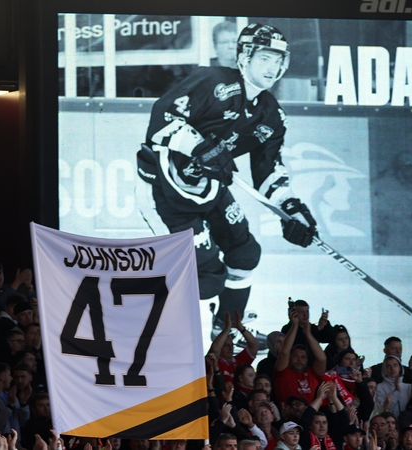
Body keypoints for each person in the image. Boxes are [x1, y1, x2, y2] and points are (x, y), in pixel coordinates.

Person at [136, 23, 317, 331]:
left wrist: (290, 208)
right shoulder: (212, 81)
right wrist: (201, 147)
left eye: (279, 60)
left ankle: (227, 330)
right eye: (265, 58)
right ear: (244, 58)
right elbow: (162, 117)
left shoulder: (271, 115)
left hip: (211, 188)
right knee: (207, 279)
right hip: (166, 190)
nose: (273, 68)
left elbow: (268, 169)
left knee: (245, 253)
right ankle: (132, 316)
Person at [273, 306, 327, 404]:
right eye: (295, 356)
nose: (299, 360)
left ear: (307, 360)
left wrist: (308, 334)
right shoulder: (283, 373)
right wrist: (294, 326)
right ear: (289, 358)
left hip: (311, 417)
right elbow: (284, 353)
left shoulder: (312, 373)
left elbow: (322, 359)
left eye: (303, 357)